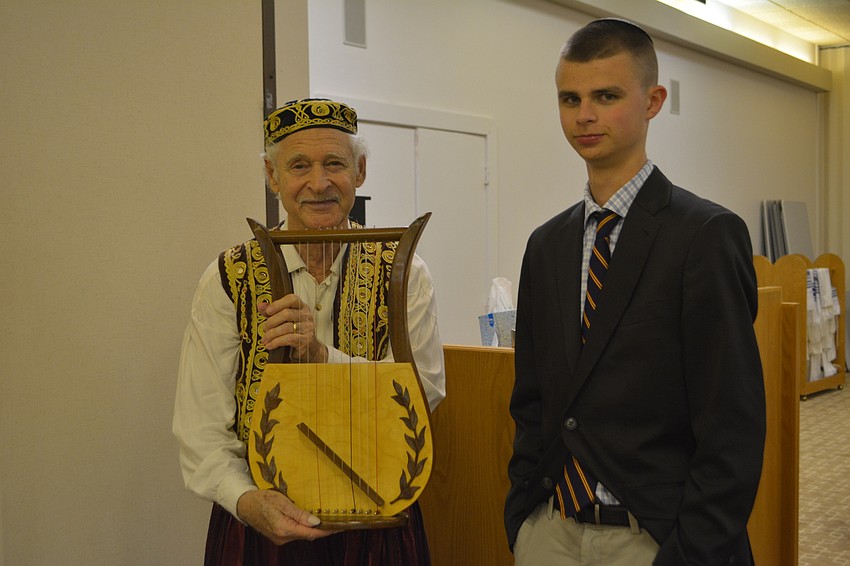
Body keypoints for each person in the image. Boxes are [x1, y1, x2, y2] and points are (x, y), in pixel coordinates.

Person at [504, 19, 766, 565]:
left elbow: (731, 425)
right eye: (570, 98)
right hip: (551, 528)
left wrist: (692, 550)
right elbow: (533, 400)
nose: (585, 115)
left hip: (652, 536)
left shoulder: (704, 235)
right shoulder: (546, 244)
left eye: (606, 96)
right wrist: (523, 518)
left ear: (653, 101)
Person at [174, 98, 445, 565]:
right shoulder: (228, 277)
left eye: (334, 163)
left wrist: (322, 357)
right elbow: (199, 427)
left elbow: (424, 394)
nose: (318, 183)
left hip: (377, 521)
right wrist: (244, 500)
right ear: (272, 175)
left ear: (360, 171)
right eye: (299, 165)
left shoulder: (404, 272)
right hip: (262, 525)